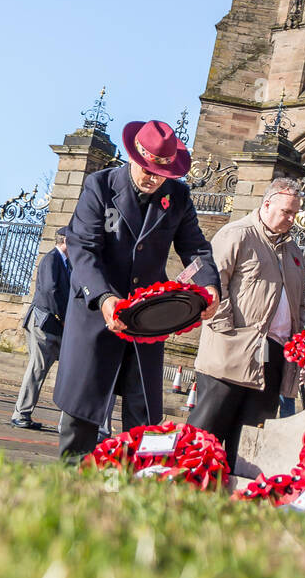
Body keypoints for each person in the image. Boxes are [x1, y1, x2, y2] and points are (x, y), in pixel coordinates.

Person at [54, 119, 220, 462]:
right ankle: (69, 482)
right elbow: (83, 248)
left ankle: (134, 484)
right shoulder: (98, 186)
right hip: (97, 313)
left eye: (161, 172)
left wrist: (208, 284)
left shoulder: (178, 197)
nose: (152, 177)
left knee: (142, 414)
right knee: (82, 411)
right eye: (146, 168)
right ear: (134, 155)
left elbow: (195, 250)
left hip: (147, 322)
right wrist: (104, 298)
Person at [187, 176, 305, 471]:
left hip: (273, 357)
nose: (292, 219)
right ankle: (183, 491)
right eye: (287, 212)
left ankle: (231, 498)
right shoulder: (237, 234)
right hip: (229, 354)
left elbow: (300, 303)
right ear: (267, 205)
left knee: (249, 440)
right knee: (207, 434)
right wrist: (228, 329)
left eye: (295, 213)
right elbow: (211, 283)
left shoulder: (293, 252)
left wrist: (301, 341)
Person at [10, 228, 71, 430]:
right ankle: (21, 414)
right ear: (66, 240)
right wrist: (64, 318)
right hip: (42, 322)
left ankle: (65, 421)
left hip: (54, 325)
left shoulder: (66, 263)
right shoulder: (51, 259)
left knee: (50, 370)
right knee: (37, 368)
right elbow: (49, 291)